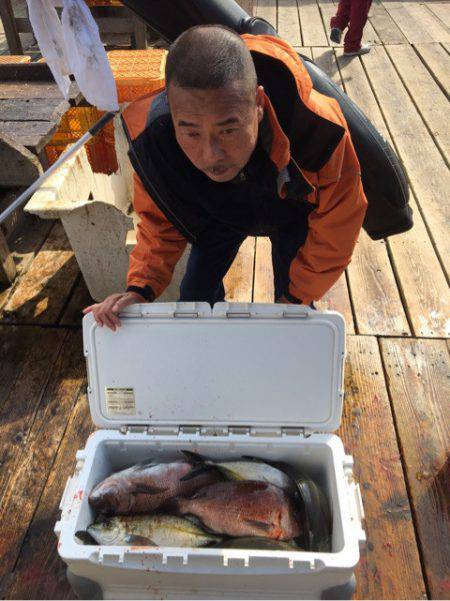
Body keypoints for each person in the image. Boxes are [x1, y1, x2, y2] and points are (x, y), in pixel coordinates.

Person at [84, 26, 367, 330]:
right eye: (191, 132)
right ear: (172, 111)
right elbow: (159, 224)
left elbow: (338, 224)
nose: (211, 155)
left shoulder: (318, 131)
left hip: (292, 211)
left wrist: (295, 300)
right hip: (217, 215)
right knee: (193, 298)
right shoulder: (155, 142)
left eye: (228, 130)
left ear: (258, 104)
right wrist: (139, 291)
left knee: (296, 311)